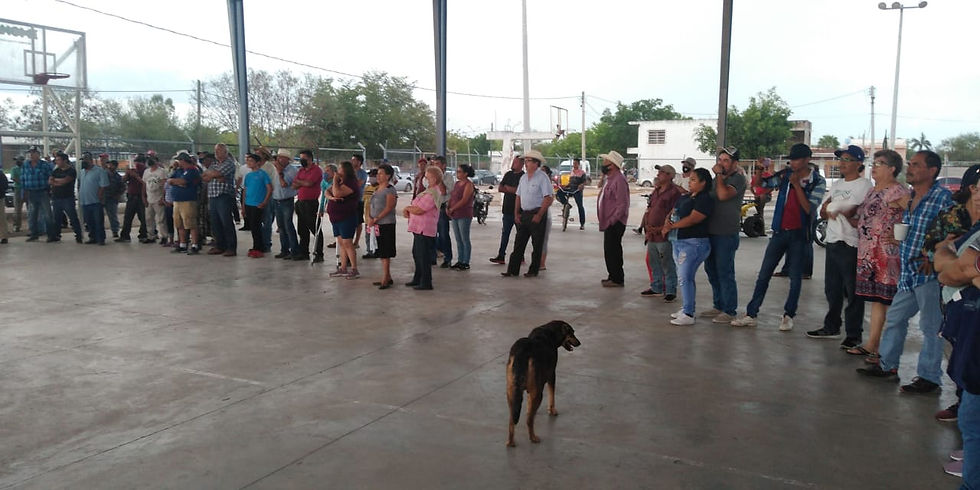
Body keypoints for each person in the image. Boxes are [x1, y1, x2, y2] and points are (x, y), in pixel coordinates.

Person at [857, 150, 953, 394]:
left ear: (932, 171)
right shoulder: (910, 197)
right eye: (910, 164)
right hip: (909, 272)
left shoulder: (942, 198)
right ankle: (887, 365)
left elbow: (954, 232)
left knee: (931, 327)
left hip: (929, 274)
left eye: (916, 165)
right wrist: (899, 238)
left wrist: (934, 255)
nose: (910, 168)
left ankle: (929, 378)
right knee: (895, 319)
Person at [731, 143, 826, 330]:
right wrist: (760, 170)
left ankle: (789, 315)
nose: (793, 163)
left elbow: (809, 208)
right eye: (792, 159)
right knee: (764, 274)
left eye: (797, 159)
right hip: (779, 232)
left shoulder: (817, 181)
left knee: (795, 277)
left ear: (807, 160)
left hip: (800, 234)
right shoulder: (785, 175)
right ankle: (751, 313)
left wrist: (796, 185)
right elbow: (761, 185)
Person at [845, 150, 910, 359]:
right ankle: (872, 344)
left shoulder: (898, 191)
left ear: (892, 169)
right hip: (868, 254)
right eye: (874, 163)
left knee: (889, 302)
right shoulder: (873, 191)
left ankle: (886, 351)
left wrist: (901, 236)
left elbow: (912, 215)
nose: (874, 167)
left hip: (887, 255)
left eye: (880, 163)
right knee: (877, 300)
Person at [806, 145, 873, 344]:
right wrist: (835, 208)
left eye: (847, 160)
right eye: (841, 159)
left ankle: (854, 334)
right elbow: (824, 211)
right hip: (833, 240)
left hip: (850, 242)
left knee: (852, 291)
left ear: (858, 164)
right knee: (832, 288)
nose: (842, 163)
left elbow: (852, 210)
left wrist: (836, 207)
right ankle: (831, 326)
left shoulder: (864, 185)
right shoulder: (837, 185)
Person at [663, 168, 715, 325]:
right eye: (689, 179)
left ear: (703, 183)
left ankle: (688, 313)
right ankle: (687, 307)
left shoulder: (704, 199)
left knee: (685, 276)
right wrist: (667, 223)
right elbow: (673, 211)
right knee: (683, 277)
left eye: (693, 180)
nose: (689, 182)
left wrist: (673, 226)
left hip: (694, 243)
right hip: (678, 241)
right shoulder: (685, 197)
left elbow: (694, 218)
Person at [703, 146, 747, 324]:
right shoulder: (717, 179)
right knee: (711, 269)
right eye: (720, 160)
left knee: (724, 271)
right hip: (711, 231)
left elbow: (722, 195)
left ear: (735, 163)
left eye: (726, 161)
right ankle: (718, 304)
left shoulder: (738, 179)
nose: (721, 164)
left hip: (726, 232)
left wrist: (719, 175)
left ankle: (729, 309)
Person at [502, 150, 553, 278]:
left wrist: (539, 214)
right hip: (524, 214)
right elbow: (518, 196)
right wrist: (516, 213)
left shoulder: (542, 177)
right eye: (525, 161)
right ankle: (512, 270)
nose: (525, 163)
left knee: (537, 244)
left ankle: (533, 270)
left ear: (536, 163)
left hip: (537, 213)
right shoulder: (524, 178)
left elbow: (548, 198)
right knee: (519, 243)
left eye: (528, 161)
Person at [641, 164, 685, 301]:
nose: (658, 174)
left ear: (670, 176)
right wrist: (647, 226)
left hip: (664, 234)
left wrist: (661, 228)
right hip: (652, 233)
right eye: (659, 172)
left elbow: (674, 214)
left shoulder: (674, 193)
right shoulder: (656, 190)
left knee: (667, 263)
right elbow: (650, 208)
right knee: (654, 262)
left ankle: (670, 289)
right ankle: (657, 287)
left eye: (662, 172)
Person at [404, 166, 444, 290]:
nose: (424, 180)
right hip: (418, 228)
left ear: (434, 179)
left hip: (424, 229)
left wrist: (407, 208)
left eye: (427, 177)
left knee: (423, 256)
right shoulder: (428, 191)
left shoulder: (433, 193)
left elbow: (420, 209)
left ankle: (426, 282)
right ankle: (418, 278)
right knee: (417, 254)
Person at [597, 150, 630, 287]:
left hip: (615, 222)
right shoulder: (609, 178)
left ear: (612, 165)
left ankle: (617, 278)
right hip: (609, 221)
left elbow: (622, 204)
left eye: (606, 162)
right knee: (609, 250)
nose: (603, 164)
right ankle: (612, 275)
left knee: (614, 250)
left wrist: (612, 220)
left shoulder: (619, 180)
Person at [325, 161, 361, 278]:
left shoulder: (351, 183)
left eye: (340, 168)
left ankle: (354, 268)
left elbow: (337, 193)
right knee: (341, 243)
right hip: (336, 217)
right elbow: (327, 191)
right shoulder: (341, 181)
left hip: (346, 217)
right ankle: (343, 267)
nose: (338, 171)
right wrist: (331, 198)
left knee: (347, 243)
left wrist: (335, 181)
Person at [490, 156, 524, 264]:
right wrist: (511, 189)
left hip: (519, 211)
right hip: (507, 210)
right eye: (513, 161)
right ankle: (501, 255)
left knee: (520, 236)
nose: (513, 164)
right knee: (505, 234)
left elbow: (519, 191)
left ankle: (520, 256)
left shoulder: (523, 177)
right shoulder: (508, 174)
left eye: (515, 162)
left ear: (521, 164)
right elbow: (500, 188)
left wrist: (509, 188)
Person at [369, 164, 398, 289]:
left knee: (386, 251)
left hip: (386, 223)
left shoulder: (390, 189)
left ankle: (385, 278)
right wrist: (370, 218)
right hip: (376, 224)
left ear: (388, 176)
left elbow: (389, 207)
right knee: (381, 250)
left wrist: (376, 218)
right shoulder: (377, 188)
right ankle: (388, 276)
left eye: (381, 174)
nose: (378, 176)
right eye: (378, 173)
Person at [168, 153, 203, 254]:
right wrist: (175, 181)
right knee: (179, 223)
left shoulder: (192, 170)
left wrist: (176, 182)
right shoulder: (179, 170)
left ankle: (195, 245)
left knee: (190, 223)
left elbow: (183, 181)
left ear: (183, 160)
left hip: (188, 200)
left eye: (179, 160)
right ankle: (182, 244)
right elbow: (169, 180)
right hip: (177, 200)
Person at [292, 149, 323, 261]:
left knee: (315, 229)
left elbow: (309, 183)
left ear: (310, 159)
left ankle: (319, 253)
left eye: (303, 159)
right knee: (302, 229)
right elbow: (294, 185)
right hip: (300, 202)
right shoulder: (301, 170)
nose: (301, 161)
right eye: (301, 158)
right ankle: (304, 252)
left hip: (311, 203)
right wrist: (303, 182)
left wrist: (300, 182)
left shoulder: (316, 170)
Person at [241, 153, 273, 258]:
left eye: (251, 161)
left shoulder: (262, 174)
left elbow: (269, 188)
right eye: (248, 161)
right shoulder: (248, 176)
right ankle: (256, 246)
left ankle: (259, 247)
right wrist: (243, 205)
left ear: (258, 163)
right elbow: (245, 190)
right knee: (252, 226)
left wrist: (265, 201)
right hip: (248, 203)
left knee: (256, 226)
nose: (248, 163)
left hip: (257, 204)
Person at [21, 146, 54, 242]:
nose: (31, 155)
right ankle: (34, 234)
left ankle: (51, 235)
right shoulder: (25, 165)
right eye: (30, 153)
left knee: (47, 214)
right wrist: (23, 193)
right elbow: (23, 179)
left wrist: (50, 188)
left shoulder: (44, 165)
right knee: (32, 215)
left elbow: (51, 176)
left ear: (38, 154)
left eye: (33, 153)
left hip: (43, 192)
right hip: (31, 192)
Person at [271, 149, 300, 260]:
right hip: (277, 199)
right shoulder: (275, 169)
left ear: (287, 159)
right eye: (278, 157)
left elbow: (284, 184)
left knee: (288, 226)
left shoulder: (292, 170)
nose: (279, 159)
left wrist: (280, 173)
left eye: (282, 158)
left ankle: (294, 250)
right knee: (281, 227)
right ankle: (284, 250)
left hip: (286, 200)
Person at [48, 151, 82, 243]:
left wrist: (56, 181)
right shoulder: (56, 171)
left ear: (65, 161)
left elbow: (65, 181)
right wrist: (57, 182)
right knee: (56, 218)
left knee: (73, 217)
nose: (57, 162)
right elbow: (50, 181)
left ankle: (78, 235)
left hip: (68, 198)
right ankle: (56, 235)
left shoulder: (71, 171)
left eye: (58, 160)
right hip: (56, 197)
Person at [447, 164, 475, 270]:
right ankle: (460, 260)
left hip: (464, 214)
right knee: (458, 239)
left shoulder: (468, 185)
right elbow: (452, 196)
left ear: (465, 173)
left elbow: (464, 200)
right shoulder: (457, 184)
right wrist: (448, 206)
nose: (457, 173)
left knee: (464, 238)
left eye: (459, 172)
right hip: (455, 214)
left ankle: (466, 261)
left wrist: (453, 208)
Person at [78, 153, 109, 245]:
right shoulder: (82, 172)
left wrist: (100, 195)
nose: (84, 162)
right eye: (83, 160)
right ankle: (92, 237)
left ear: (91, 161)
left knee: (98, 221)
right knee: (89, 221)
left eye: (85, 160)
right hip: (84, 201)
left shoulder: (100, 171)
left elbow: (103, 185)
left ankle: (101, 239)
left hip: (95, 201)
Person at [117, 154, 148, 243]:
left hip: (140, 196)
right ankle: (125, 235)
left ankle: (143, 234)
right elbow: (123, 180)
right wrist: (127, 174)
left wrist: (136, 176)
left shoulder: (145, 171)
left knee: (142, 217)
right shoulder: (132, 170)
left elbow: (145, 182)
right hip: (131, 195)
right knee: (128, 216)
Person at [432, 155, 454, 268]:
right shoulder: (429, 176)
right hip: (431, 208)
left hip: (442, 208)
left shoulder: (448, 177)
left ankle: (447, 258)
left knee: (444, 234)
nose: (435, 166)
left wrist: (438, 178)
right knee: (431, 233)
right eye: (434, 164)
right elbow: (428, 188)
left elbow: (444, 191)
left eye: (437, 164)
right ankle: (432, 257)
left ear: (444, 165)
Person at [555, 157, 589, 229]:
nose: (574, 165)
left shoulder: (582, 173)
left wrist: (582, 185)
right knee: (559, 192)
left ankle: (582, 224)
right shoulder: (572, 172)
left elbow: (585, 181)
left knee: (580, 206)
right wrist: (565, 185)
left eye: (575, 163)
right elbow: (570, 183)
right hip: (570, 189)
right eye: (573, 163)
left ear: (578, 164)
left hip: (577, 190)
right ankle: (567, 204)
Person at [142, 155, 169, 245]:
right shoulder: (146, 172)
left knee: (161, 219)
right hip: (149, 198)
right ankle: (151, 236)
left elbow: (165, 185)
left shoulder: (162, 172)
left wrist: (163, 198)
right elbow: (144, 184)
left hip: (158, 198)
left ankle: (164, 236)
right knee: (148, 218)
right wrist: (144, 197)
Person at [315, 164, 338, 261]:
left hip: (339, 206)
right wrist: (321, 209)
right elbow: (323, 197)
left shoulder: (338, 181)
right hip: (331, 207)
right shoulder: (324, 182)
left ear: (334, 172)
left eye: (328, 171)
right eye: (325, 171)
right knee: (335, 226)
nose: (325, 173)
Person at [362, 169, 380, 259]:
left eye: (373, 176)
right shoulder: (367, 188)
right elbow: (364, 201)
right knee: (368, 235)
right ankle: (370, 251)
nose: (371, 178)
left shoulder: (380, 188)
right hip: (367, 217)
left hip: (377, 218)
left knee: (377, 235)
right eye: (370, 176)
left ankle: (378, 251)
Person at [103, 159, 124, 238]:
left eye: (111, 165)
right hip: (103, 197)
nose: (109, 166)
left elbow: (122, 187)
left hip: (112, 198)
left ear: (115, 166)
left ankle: (115, 231)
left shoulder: (117, 176)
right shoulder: (104, 174)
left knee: (112, 216)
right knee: (99, 216)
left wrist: (118, 195)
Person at [351, 154, 368, 249]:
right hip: (348, 200)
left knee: (358, 221)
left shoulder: (362, 173)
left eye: (354, 160)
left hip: (358, 200)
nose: (352, 162)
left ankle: (356, 241)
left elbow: (358, 184)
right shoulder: (348, 172)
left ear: (359, 162)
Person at [10, 156, 24, 232]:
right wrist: (22, 182)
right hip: (18, 189)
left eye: (18, 160)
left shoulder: (26, 168)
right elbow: (14, 178)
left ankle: (33, 225)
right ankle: (17, 225)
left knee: (31, 208)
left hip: (27, 190)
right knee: (17, 209)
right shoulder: (14, 169)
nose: (16, 162)